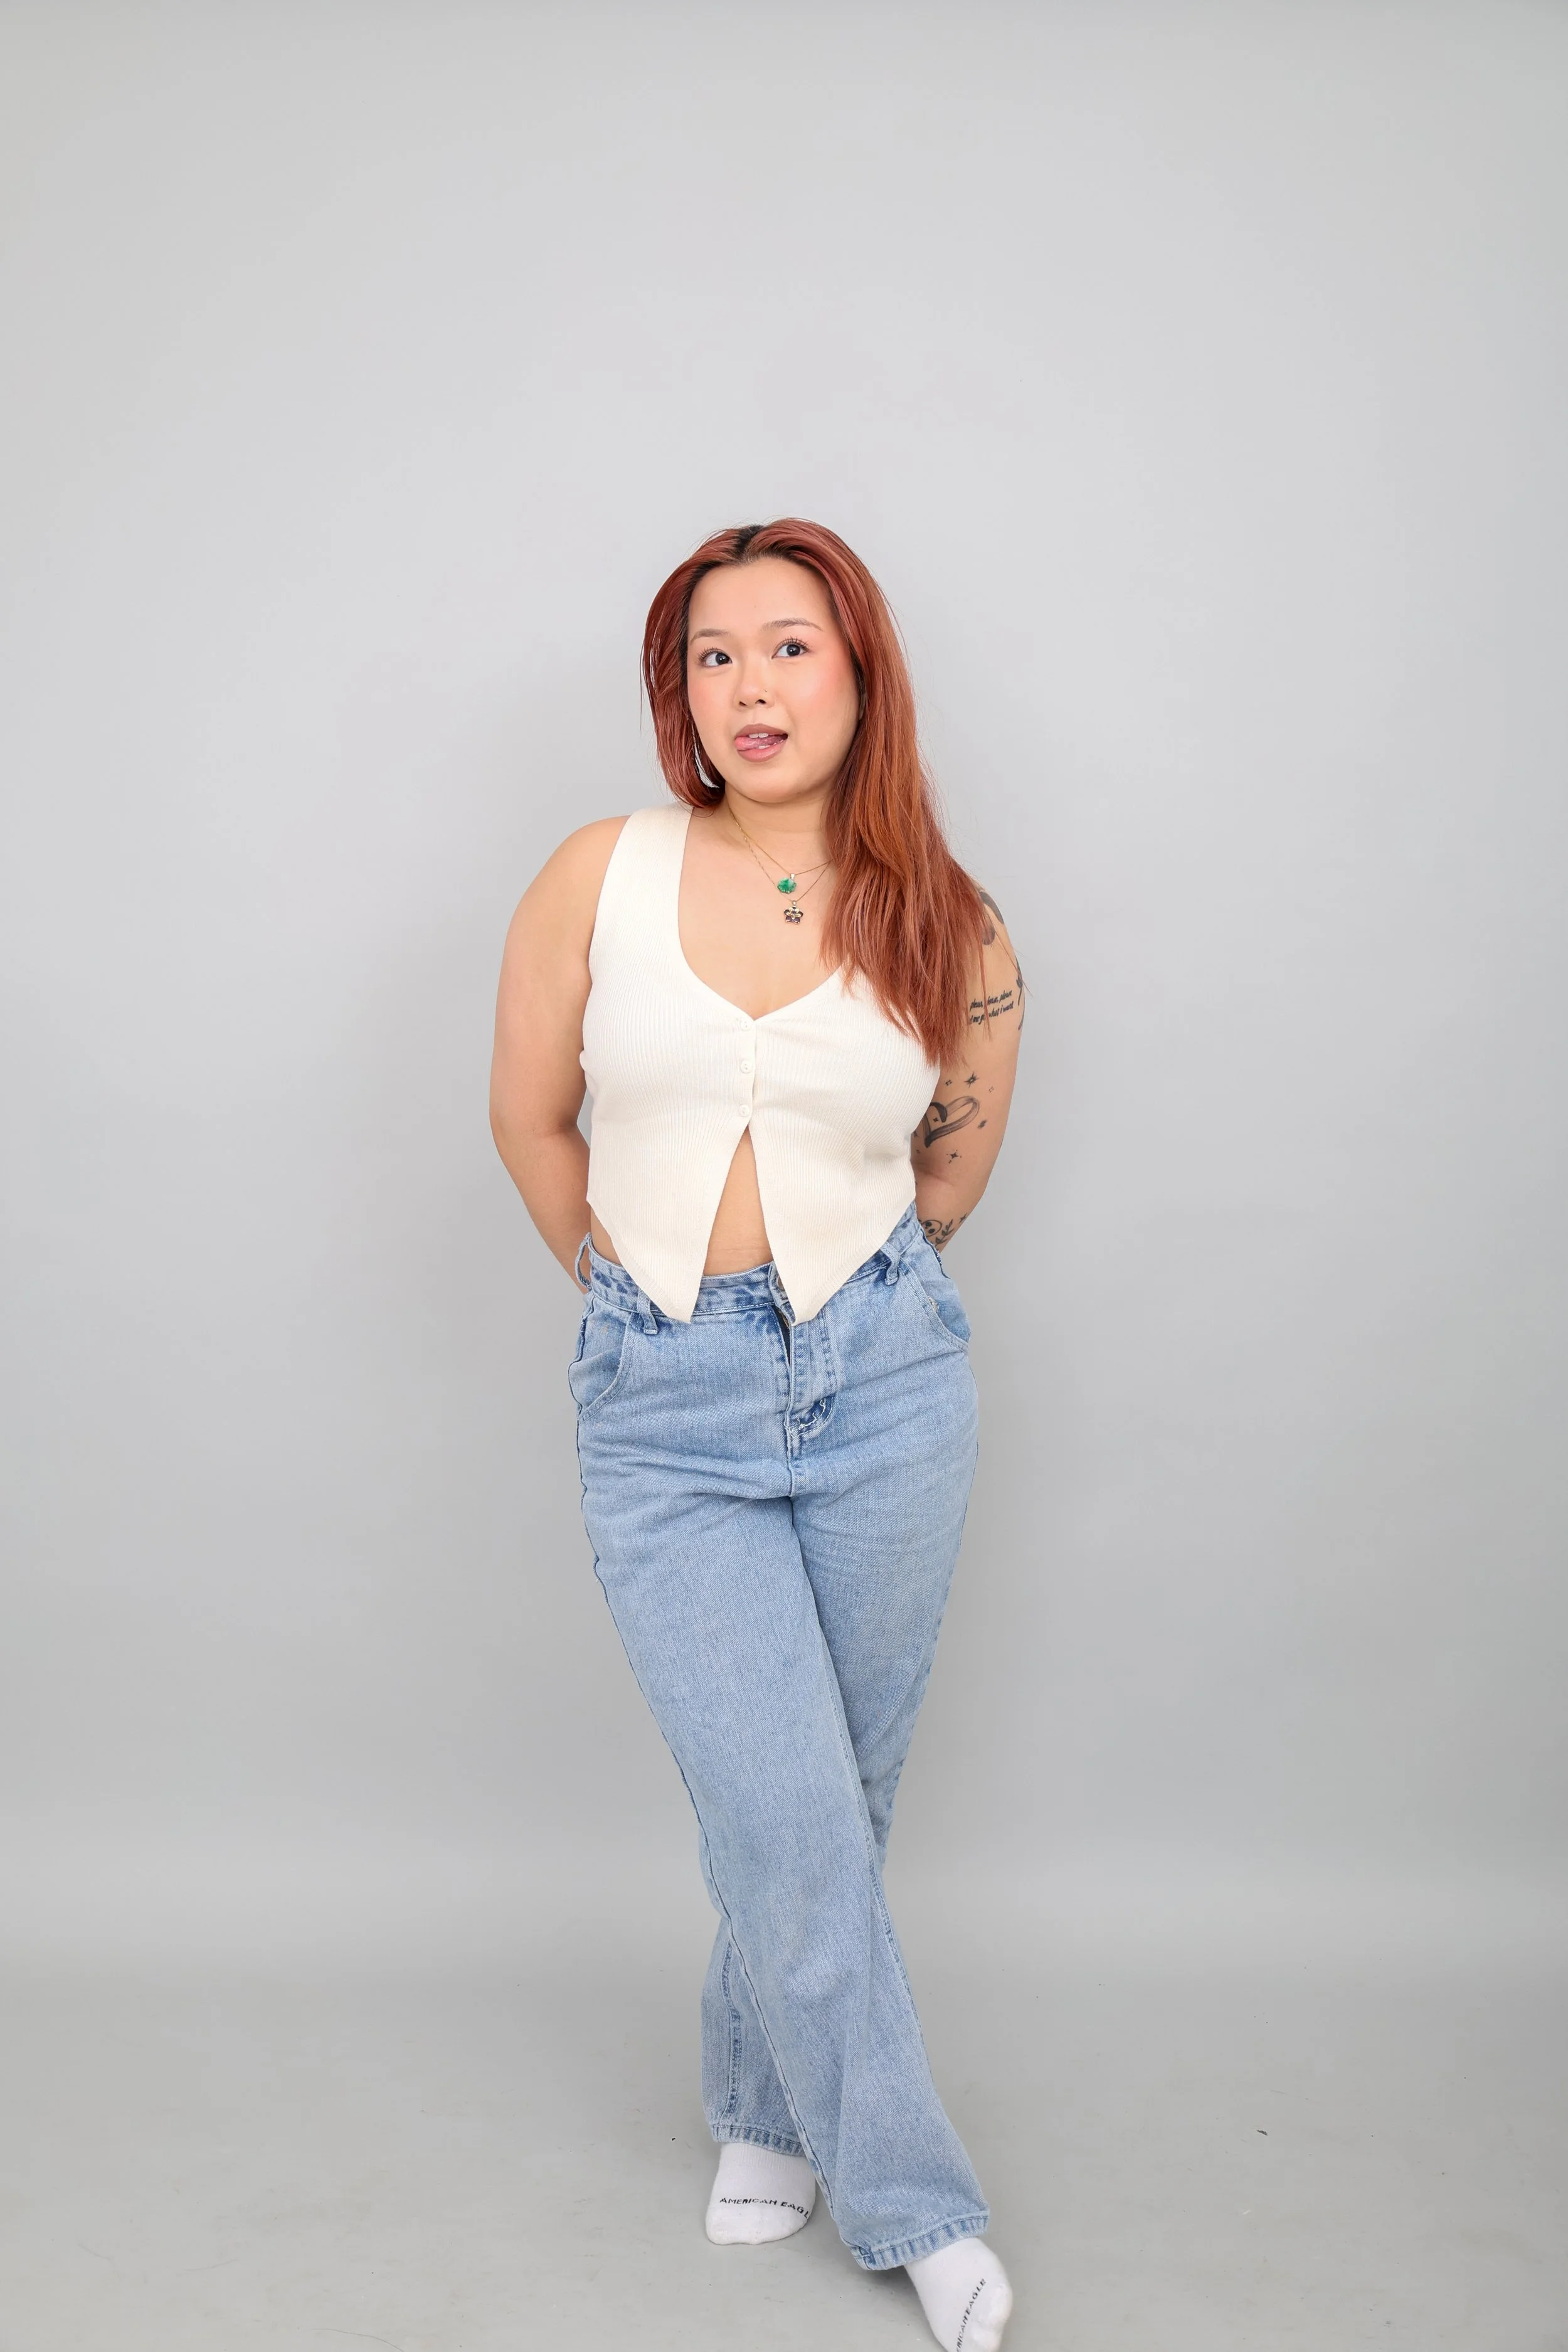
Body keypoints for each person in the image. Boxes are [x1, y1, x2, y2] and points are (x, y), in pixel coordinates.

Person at [490, 519, 1024, 2351]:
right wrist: (635, 1286)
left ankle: (763, 2106)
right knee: (780, 1806)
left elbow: (948, 1155)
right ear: (679, 697)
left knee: (832, 1804)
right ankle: (918, 2203)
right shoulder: (598, 873)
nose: (750, 687)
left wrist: (843, 1295)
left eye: (788, 647)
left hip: (885, 1388)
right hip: (665, 1407)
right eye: (712, 656)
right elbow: (526, 1110)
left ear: (859, 675)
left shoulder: (949, 916)